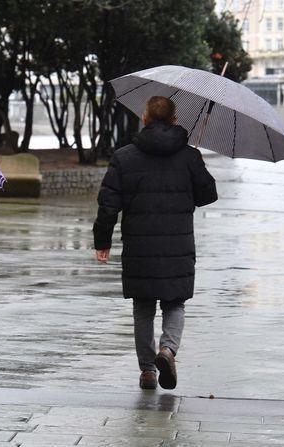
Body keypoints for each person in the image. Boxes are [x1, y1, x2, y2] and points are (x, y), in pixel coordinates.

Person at [93, 96, 218, 390]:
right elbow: (207, 196)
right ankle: (168, 350)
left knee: (143, 307)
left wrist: (102, 241)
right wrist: (195, 163)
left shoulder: (124, 157)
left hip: (140, 246)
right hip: (178, 246)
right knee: (175, 303)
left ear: (145, 118)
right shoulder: (189, 156)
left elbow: (108, 205)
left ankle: (148, 370)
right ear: (175, 120)